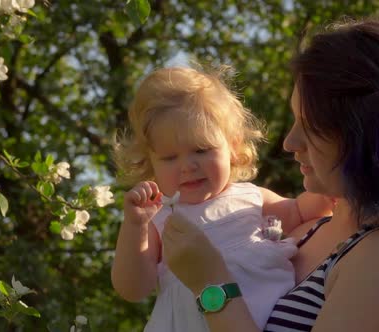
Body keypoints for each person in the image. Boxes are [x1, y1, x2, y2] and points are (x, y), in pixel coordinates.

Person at [161, 18, 379, 332]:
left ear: (369, 135)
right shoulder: (307, 233)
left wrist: (212, 285)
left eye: (309, 126)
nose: (289, 143)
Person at [111, 66, 334, 331]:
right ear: (151, 164)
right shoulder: (160, 218)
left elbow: (298, 210)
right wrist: (134, 226)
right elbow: (133, 288)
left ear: (233, 146)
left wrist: (329, 191)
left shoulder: (250, 197)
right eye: (169, 158)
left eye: (201, 150)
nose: (187, 166)